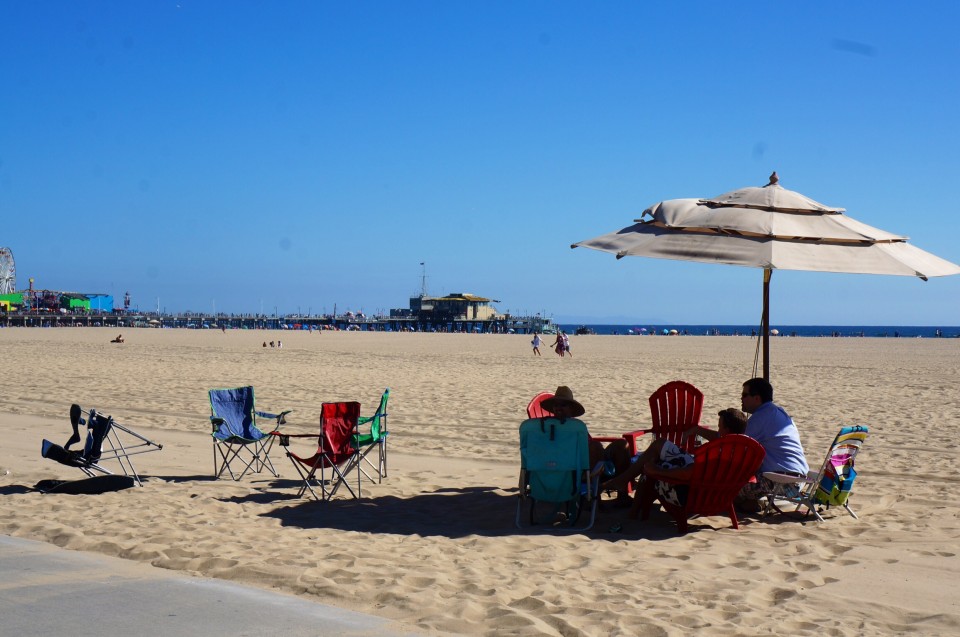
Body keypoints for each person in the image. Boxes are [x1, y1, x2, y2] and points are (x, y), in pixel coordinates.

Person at [601, 408, 749, 513]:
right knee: (657, 451)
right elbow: (719, 438)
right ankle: (626, 484)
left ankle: (627, 491)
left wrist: (657, 470)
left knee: (654, 457)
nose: (717, 431)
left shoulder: (716, 452)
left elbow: (688, 474)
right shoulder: (743, 448)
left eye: (719, 427)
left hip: (688, 494)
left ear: (727, 431)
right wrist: (696, 430)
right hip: (718, 496)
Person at [538, 386, 632, 506]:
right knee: (594, 447)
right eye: (556, 405)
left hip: (592, 460)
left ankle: (623, 496)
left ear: (571, 408)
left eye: (563, 405)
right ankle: (594, 497)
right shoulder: (548, 427)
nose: (558, 408)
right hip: (574, 468)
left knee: (622, 444)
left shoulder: (576, 426)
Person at [736, 377, 809, 511]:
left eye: (744, 395)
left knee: (728, 488)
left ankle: (756, 504)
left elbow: (739, 450)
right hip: (800, 480)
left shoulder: (759, 418)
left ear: (757, 398)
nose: (741, 398)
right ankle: (754, 504)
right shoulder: (779, 413)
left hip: (782, 481)